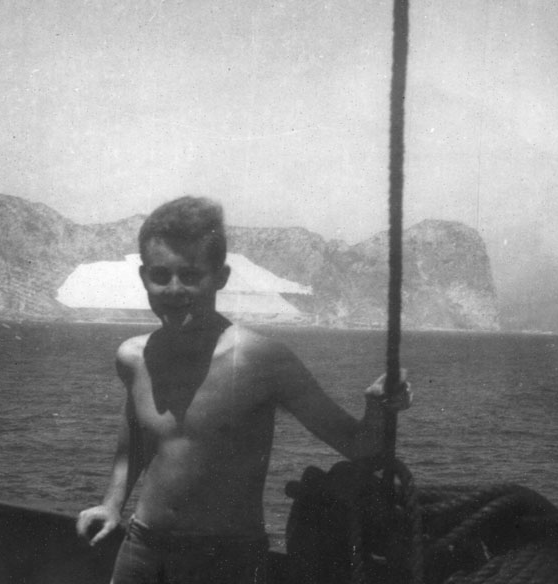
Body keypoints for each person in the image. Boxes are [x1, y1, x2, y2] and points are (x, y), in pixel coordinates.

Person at [76, 196, 411, 584]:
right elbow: (133, 444)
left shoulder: (262, 360)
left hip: (228, 561)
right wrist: (111, 504)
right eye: (161, 275)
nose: (174, 288)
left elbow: (357, 445)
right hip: (142, 551)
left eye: (191, 275)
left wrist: (379, 409)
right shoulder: (133, 357)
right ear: (143, 277)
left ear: (221, 277)